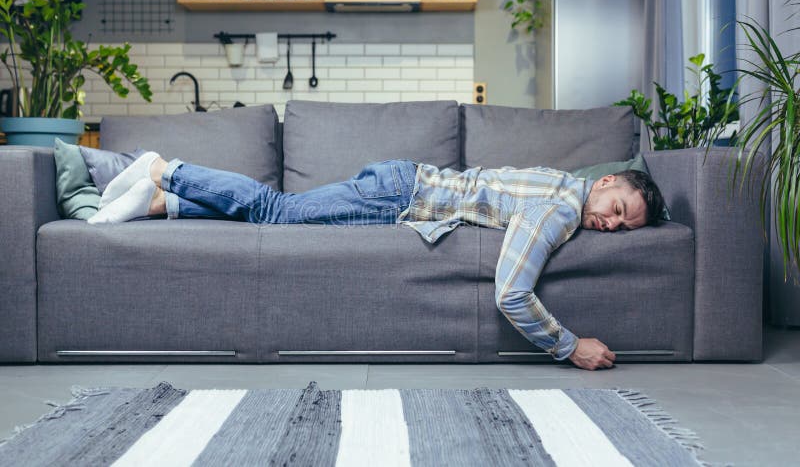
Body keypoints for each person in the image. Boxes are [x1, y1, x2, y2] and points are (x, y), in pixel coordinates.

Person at [88, 153, 666, 371]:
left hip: (402, 191)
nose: (610, 225)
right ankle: (166, 169)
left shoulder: (565, 180)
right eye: (616, 209)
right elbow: (511, 292)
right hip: (399, 195)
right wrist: (571, 346)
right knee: (278, 210)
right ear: (606, 181)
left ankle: (165, 203)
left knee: (276, 217)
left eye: (623, 226)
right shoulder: (563, 206)